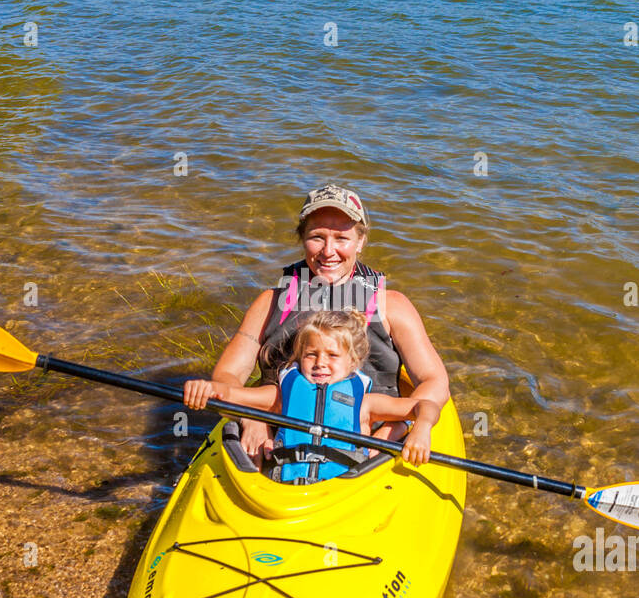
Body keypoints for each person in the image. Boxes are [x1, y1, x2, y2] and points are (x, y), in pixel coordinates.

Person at [185, 183, 450, 466]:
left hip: (371, 443)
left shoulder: (391, 306)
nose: (328, 251)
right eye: (317, 237)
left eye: (342, 238)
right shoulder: (271, 302)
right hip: (276, 437)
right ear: (302, 239)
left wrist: (396, 430)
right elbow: (228, 373)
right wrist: (252, 417)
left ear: (360, 241)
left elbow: (434, 382)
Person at [182, 309, 439, 477]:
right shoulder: (284, 397)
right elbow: (231, 395)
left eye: (332, 356)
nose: (320, 363)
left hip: (342, 489)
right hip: (281, 488)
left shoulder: (365, 405)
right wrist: (208, 389)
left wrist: (421, 429)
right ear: (299, 358)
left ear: (353, 362)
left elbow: (424, 406)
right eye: (311, 355)